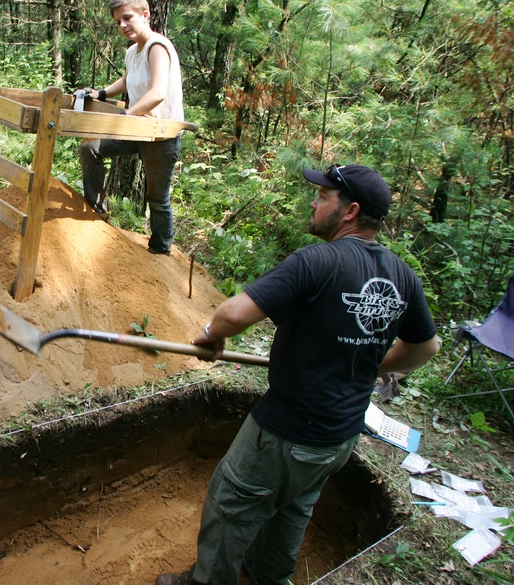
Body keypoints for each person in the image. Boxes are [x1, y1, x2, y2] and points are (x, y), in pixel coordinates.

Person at [157, 163, 441, 585]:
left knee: (229, 502)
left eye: (324, 196)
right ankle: (269, 576)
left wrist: (209, 335)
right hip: (341, 436)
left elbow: (233, 314)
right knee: (293, 505)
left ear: (350, 210)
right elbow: (426, 348)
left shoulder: (318, 261)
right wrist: (370, 359)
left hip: (287, 433)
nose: (314, 201)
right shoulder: (402, 276)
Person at [78, 0, 185, 255]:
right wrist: (101, 94)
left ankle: (160, 250)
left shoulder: (157, 47)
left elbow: (158, 92)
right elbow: (127, 81)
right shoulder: (132, 51)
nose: (122, 25)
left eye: (127, 18)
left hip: (161, 134)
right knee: (90, 147)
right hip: (137, 129)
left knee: (156, 198)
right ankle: (96, 211)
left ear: (145, 15)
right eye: (118, 22)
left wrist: (125, 117)